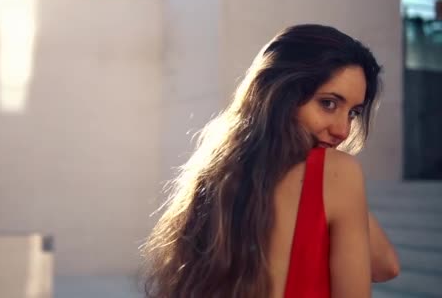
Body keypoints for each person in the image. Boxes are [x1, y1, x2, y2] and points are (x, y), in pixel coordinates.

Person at [141, 24, 400, 298]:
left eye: (353, 113)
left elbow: (386, 265)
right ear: (280, 94)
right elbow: (385, 270)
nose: (343, 130)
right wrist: (342, 188)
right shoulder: (336, 172)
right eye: (328, 103)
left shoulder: (214, 180)